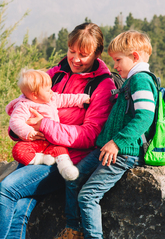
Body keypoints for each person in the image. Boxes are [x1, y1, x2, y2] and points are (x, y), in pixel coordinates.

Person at [0, 22, 116, 239]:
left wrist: (44, 126)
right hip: (37, 150)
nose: (75, 59)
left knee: (8, 188)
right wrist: (22, 132)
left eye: (83, 54)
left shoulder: (102, 85)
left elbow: (91, 135)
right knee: (19, 207)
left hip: (67, 159)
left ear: (97, 53)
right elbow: (25, 104)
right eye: (72, 51)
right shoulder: (54, 74)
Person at [57, 30, 157, 239]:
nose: (115, 66)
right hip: (106, 148)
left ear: (135, 56)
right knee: (72, 177)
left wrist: (117, 143)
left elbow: (145, 117)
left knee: (88, 196)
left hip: (122, 153)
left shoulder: (141, 80)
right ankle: (73, 229)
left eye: (118, 60)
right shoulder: (131, 80)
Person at [7, 68, 91, 180]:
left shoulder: (51, 99)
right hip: (34, 142)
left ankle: (66, 168)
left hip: (51, 140)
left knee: (61, 151)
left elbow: (66, 99)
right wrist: (28, 132)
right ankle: (40, 159)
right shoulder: (24, 105)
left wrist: (82, 99)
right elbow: (15, 121)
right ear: (35, 95)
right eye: (47, 90)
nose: (51, 92)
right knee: (18, 151)